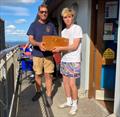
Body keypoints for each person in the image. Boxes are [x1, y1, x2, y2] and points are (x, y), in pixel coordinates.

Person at [52, 8, 83, 115]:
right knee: (65, 82)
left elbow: (74, 46)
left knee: (72, 84)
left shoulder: (77, 28)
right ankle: (69, 101)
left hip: (74, 60)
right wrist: (55, 47)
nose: (68, 19)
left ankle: (74, 105)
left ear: (73, 17)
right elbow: (63, 45)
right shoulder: (63, 31)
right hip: (65, 59)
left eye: (69, 16)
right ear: (63, 19)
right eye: (65, 17)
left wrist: (60, 49)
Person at [27, 4, 57, 106]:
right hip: (36, 54)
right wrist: (38, 44)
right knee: (38, 75)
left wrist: (56, 47)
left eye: (46, 12)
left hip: (48, 55)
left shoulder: (51, 25)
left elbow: (55, 39)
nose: (44, 13)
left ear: (47, 13)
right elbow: (30, 39)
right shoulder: (33, 25)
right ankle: (39, 92)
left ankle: (48, 96)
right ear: (38, 13)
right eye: (42, 12)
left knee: (49, 76)